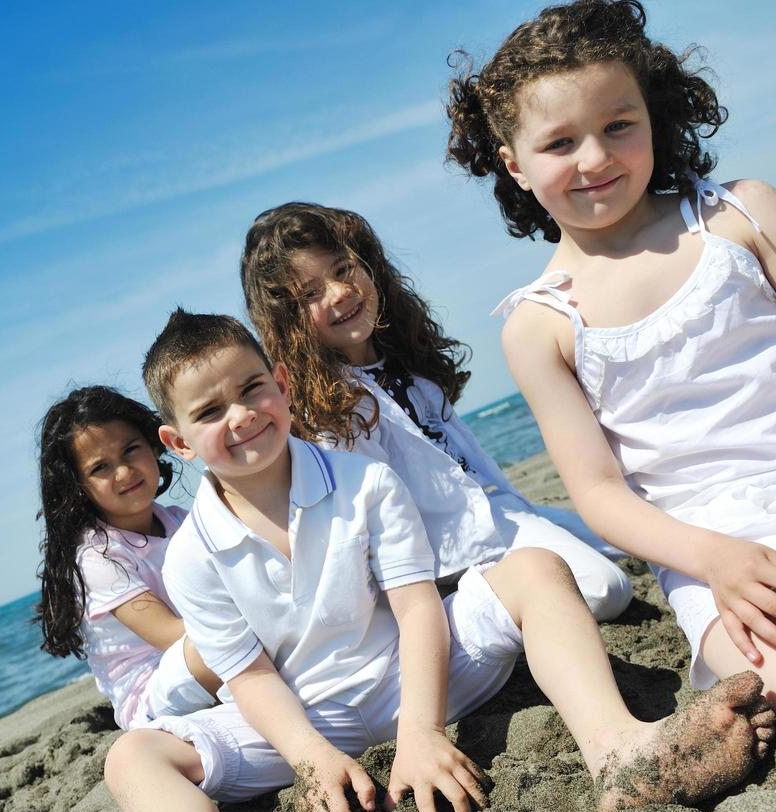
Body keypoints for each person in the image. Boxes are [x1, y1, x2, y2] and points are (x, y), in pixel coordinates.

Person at [103, 309, 776, 812]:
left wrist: (422, 732)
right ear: (179, 442)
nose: (241, 416)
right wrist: (310, 760)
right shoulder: (191, 556)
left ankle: (618, 751)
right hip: (308, 715)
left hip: (417, 672)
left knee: (534, 569)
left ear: (280, 383)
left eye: (252, 388)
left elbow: (419, 605)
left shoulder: (361, 483)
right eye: (210, 410)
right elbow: (248, 677)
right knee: (133, 756)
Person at [453, 0, 776, 739]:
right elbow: (600, 493)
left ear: (653, 119)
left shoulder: (737, 216)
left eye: (618, 125)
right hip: (716, 549)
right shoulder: (540, 325)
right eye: (560, 142)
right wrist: (713, 560)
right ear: (516, 166)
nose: (595, 158)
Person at [240, 201, 631, 620]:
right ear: (288, 321)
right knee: (606, 588)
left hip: (496, 512)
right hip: (445, 552)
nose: (339, 293)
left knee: (623, 539)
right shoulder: (332, 410)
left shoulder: (403, 355)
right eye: (310, 294)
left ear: (366, 262)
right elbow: (373, 524)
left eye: (341, 269)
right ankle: (473, 606)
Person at [31, 386, 220, 731]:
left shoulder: (179, 519)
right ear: (78, 486)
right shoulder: (97, 559)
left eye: (131, 450)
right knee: (219, 645)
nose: (124, 472)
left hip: (209, 656)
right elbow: (171, 635)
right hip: (154, 692)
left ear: (153, 445)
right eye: (100, 467)